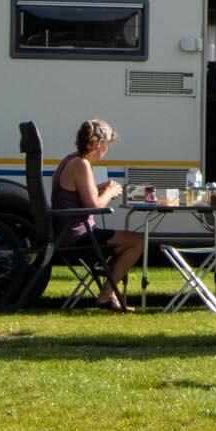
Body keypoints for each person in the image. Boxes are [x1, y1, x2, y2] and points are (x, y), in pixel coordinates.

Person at [53, 119, 144, 312]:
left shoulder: (70, 160)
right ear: (99, 144)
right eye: (107, 146)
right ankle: (106, 295)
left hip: (67, 232)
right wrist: (109, 193)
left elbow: (78, 195)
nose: (106, 151)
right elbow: (94, 207)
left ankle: (108, 288)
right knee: (138, 240)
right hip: (78, 236)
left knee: (129, 240)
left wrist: (97, 188)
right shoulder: (81, 165)